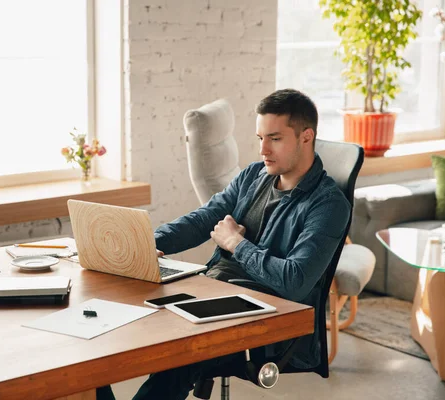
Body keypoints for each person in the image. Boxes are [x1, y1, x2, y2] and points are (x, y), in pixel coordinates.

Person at [97, 88, 351, 400]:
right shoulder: (254, 176)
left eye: (274, 138)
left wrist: (236, 242)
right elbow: (204, 219)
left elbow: (294, 282)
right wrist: (143, 243)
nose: (263, 149)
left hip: (261, 308)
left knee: (177, 347)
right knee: (104, 323)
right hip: (214, 288)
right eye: (260, 138)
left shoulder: (327, 204)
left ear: (306, 137)